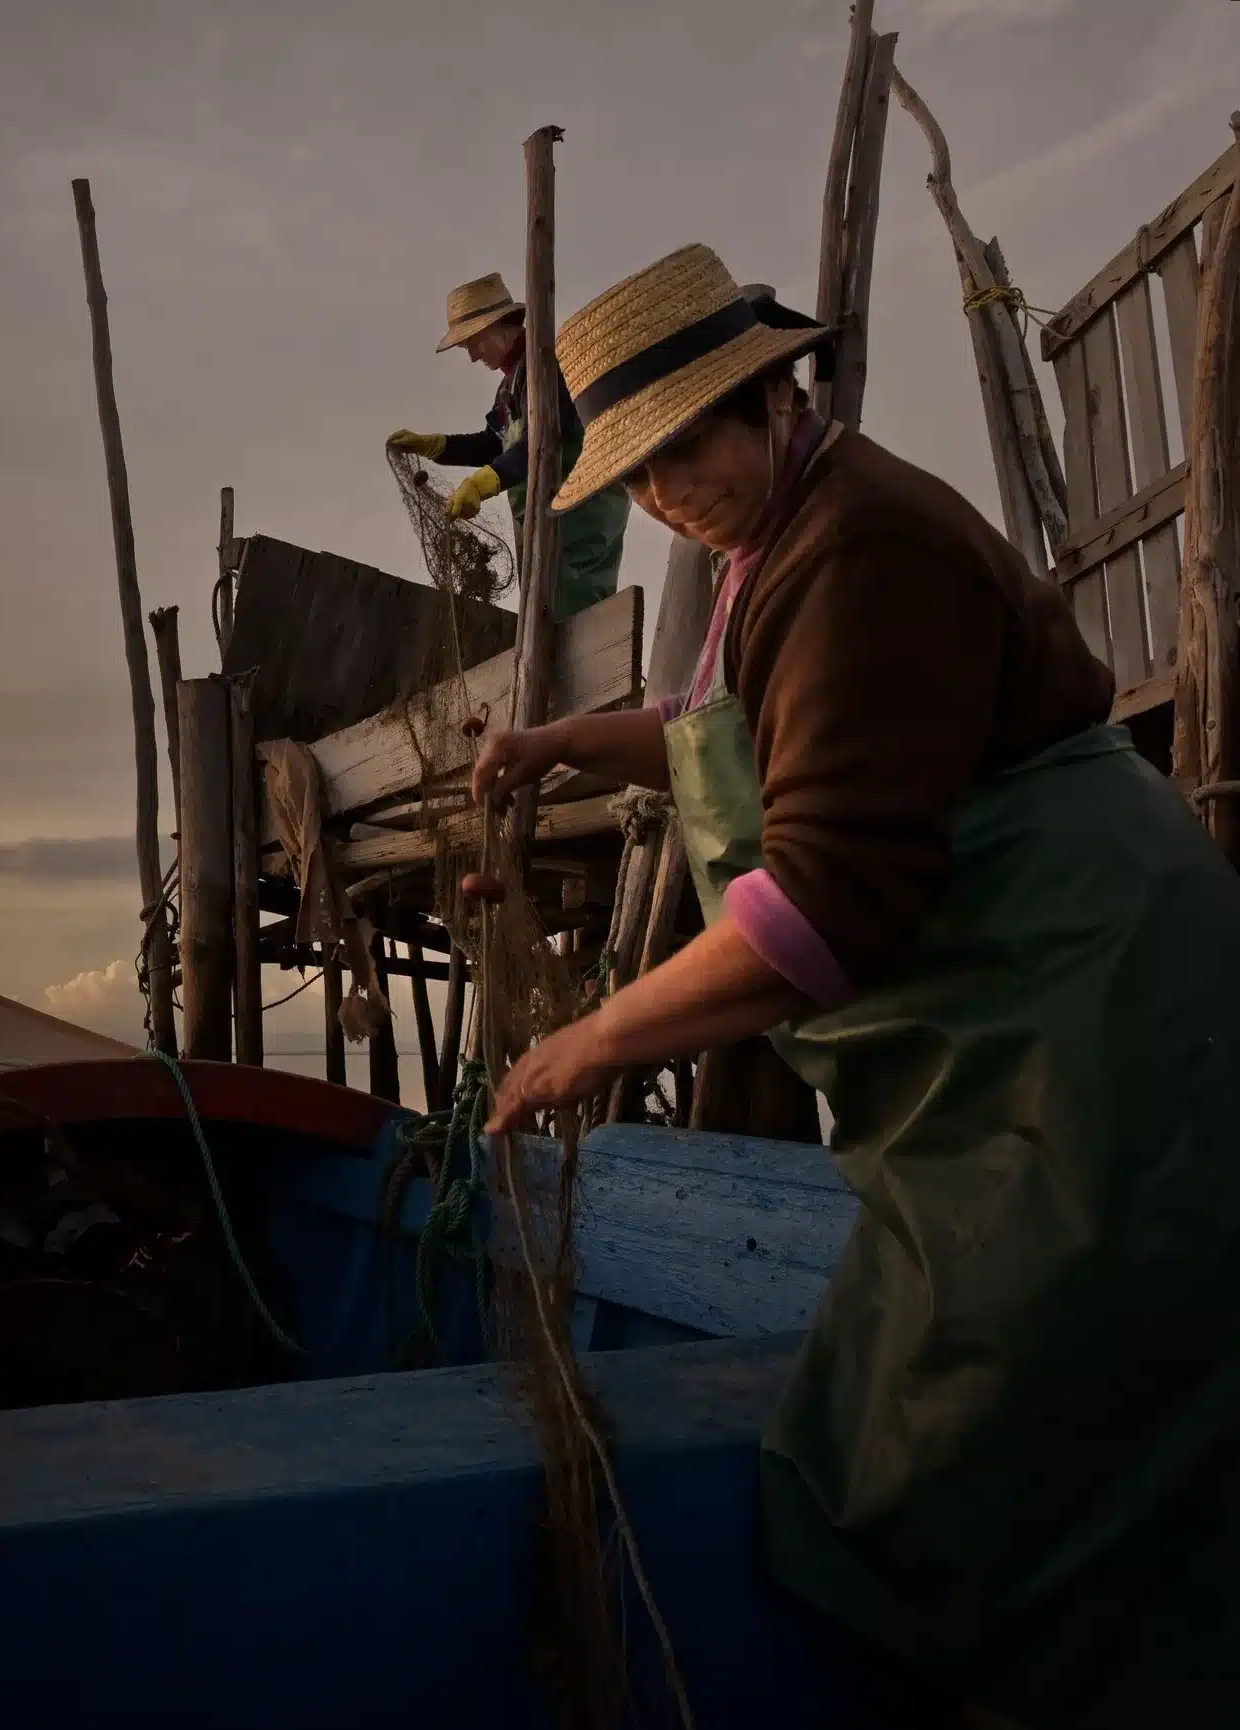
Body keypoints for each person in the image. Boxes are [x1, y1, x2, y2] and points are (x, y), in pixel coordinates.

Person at [473, 241, 1240, 1727]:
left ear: (767, 395)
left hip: (1098, 1012)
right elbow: (735, 725)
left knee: (1010, 1413)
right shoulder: (786, 530)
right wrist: (570, 742)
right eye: (630, 476)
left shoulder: (861, 544)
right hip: (1019, 1025)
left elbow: (820, 912)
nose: (659, 495)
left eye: (678, 449)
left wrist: (586, 1043)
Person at [386, 271, 629, 619]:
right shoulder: (511, 383)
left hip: (579, 519)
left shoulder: (549, 367)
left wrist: (482, 482)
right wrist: (436, 446)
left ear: (501, 324)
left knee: (576, 618)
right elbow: (494, 443)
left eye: (473, 342)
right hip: (544, 524)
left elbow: (541, 440)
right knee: (544, 617)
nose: (471, 356)